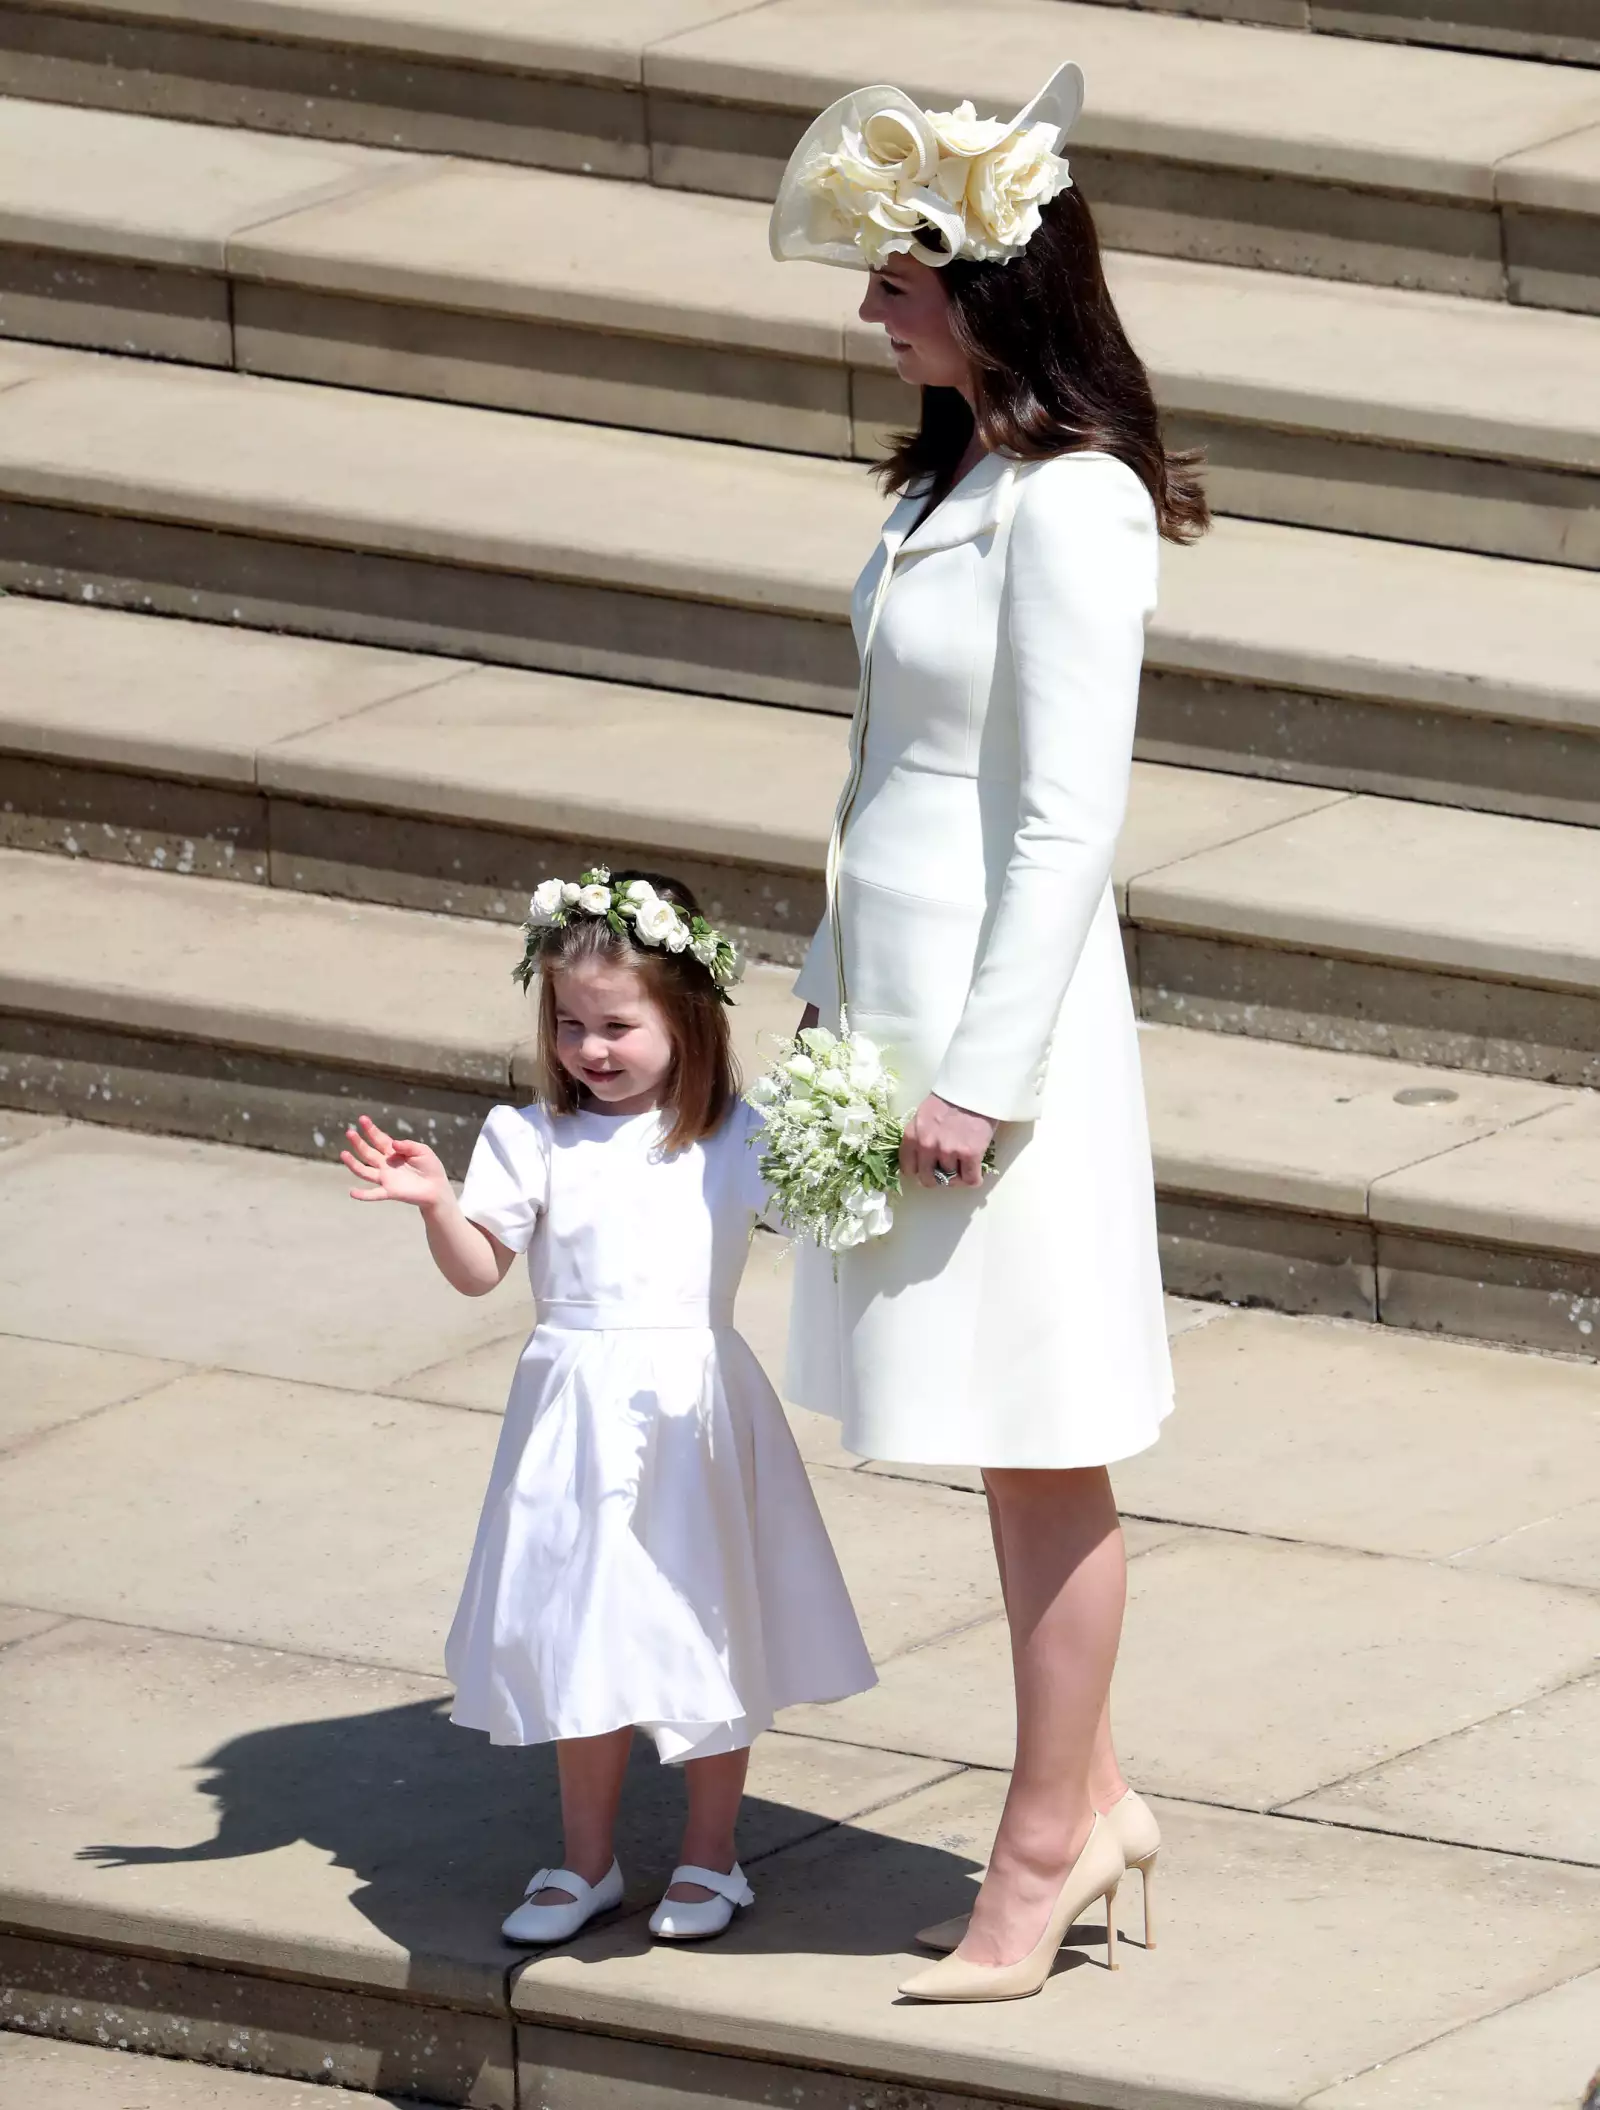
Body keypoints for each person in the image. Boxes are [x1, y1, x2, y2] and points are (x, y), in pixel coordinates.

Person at [769, 65, 1209, 2001]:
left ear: (990, 289)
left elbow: (1061, 816)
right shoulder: (949, 471)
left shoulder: (1076, 502)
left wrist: (978, 1073)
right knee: (995, 1440)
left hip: (992, 1041)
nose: (870, 302)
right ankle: (1093, 1793)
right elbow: (884, 774)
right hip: (897, 998)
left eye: (897, 275)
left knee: (1040, 1444)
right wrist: (823, 982)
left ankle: (1036, 1849)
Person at [343, 867, 875, 1947]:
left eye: (617, 1024)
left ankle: (710, 1854)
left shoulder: (730, 1139)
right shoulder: (531, 1138)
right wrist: (438, 1203)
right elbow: (480, 1270)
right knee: (582, 1636)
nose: (591, 1047)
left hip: (691, 1418)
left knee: (703, 1627)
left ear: (684, 1017)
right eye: (571, 1023)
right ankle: (585, 1862)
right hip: (573, 1425)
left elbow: (829, 1214)